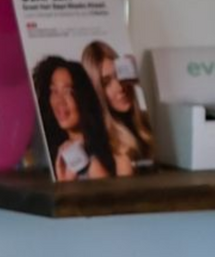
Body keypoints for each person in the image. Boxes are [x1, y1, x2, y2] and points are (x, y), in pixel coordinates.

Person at [34, 55, 117, 181]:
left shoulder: (109, 149)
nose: (60, 101)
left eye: (68, 91)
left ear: (84, 96)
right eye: (54, 91)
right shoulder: (53, 155)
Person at [82, 39, 154, 175]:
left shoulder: (146, 122)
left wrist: (143, 79)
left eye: (120, 74)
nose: (120, 87)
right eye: (106, 83)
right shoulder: (104, 143)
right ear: (96, 92)